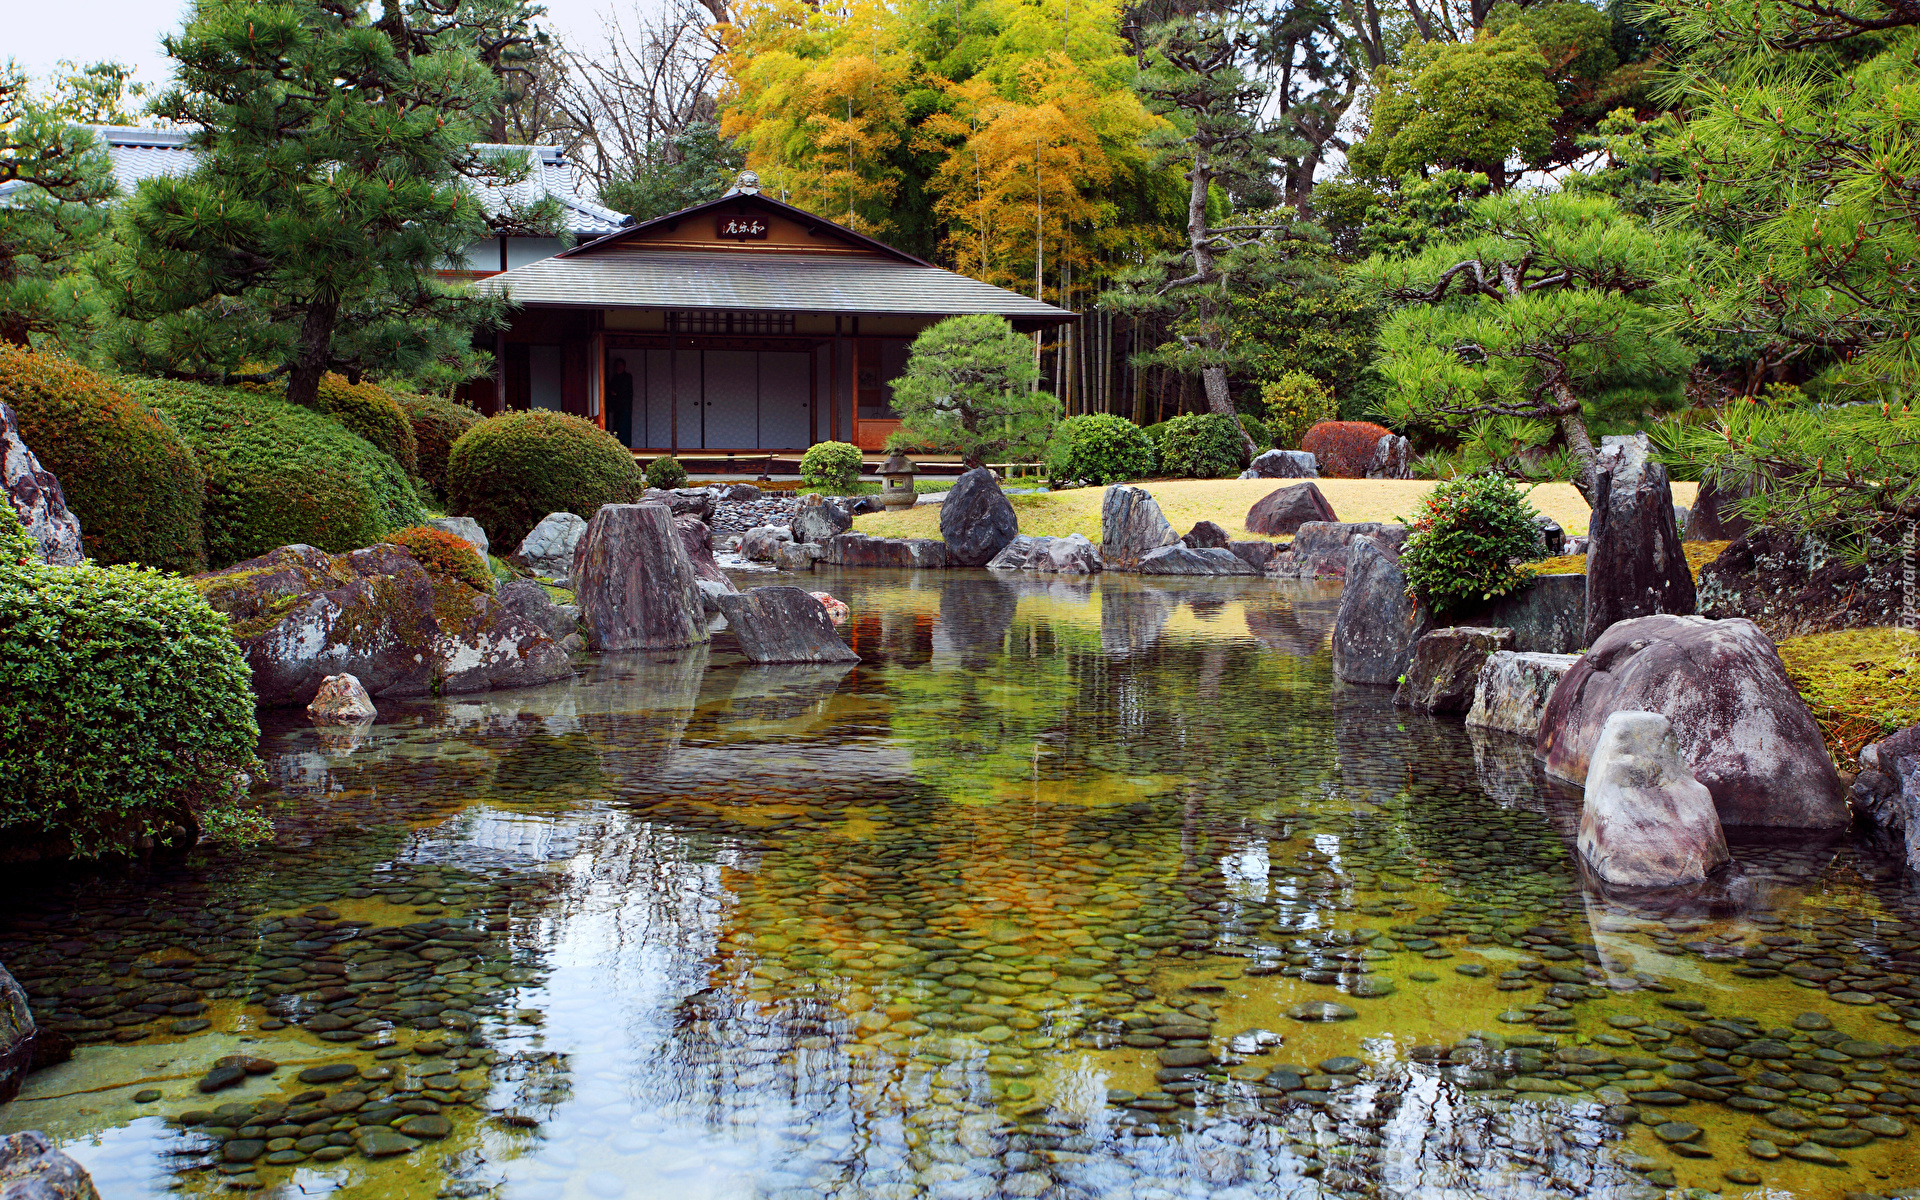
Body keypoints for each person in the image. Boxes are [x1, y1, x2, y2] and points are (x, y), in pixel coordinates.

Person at [610, 357, 635, 447]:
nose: (618, 367)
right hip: (617, 407)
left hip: (625, 407)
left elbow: (626, 391)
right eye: (617, 366)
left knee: (625, 427)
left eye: (620, 365)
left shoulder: (627, 377)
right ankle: (618, 446)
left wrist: (616, 393)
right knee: (617, 428)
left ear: (624, 366)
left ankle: (626, 447)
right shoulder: (614, 378)